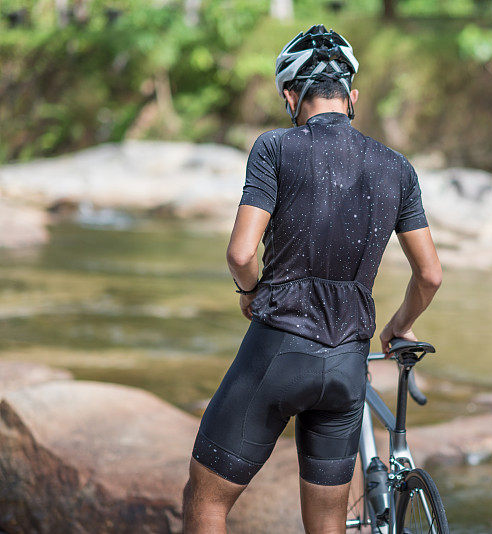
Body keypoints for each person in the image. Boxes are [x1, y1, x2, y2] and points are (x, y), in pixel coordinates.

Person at [182, 25, 442, 534]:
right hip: (347, 363)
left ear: (289, 95)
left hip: (278, 348)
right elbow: (430, 274)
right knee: (329, 522)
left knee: (207, 498)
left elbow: (240, 252)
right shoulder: (398, 167)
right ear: (353, 98)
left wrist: (252, 292)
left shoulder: (274, 148)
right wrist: (396, 326)